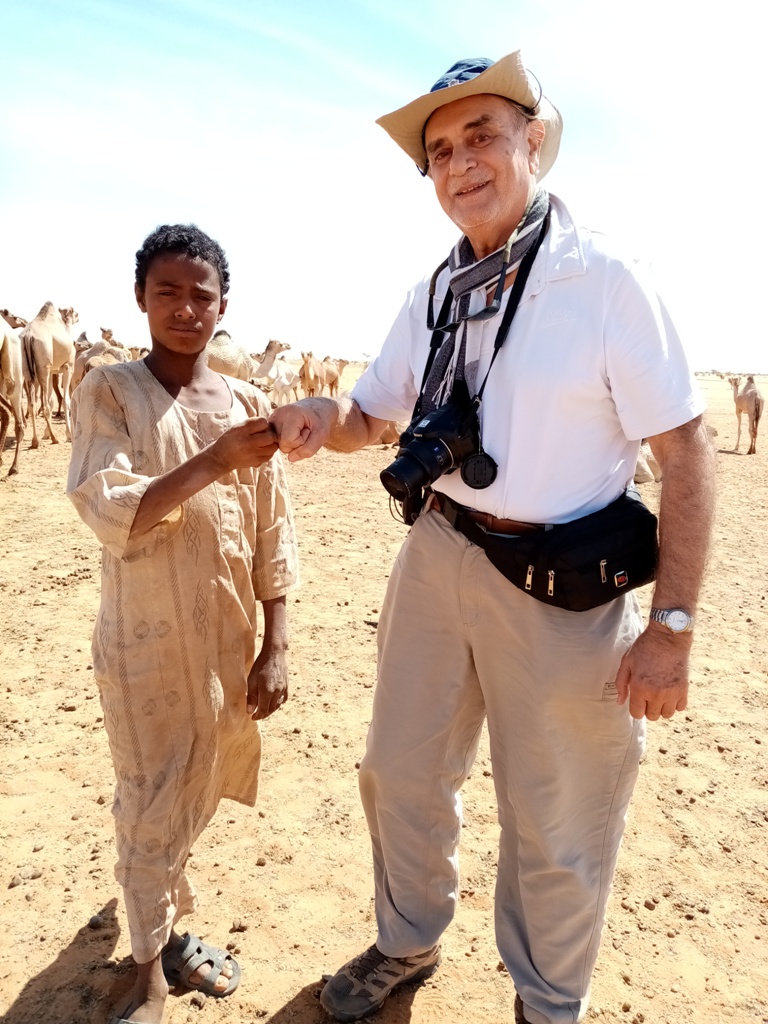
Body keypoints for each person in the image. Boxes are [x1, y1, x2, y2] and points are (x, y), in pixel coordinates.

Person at [270, 51, 715, 1024]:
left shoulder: (604, 281)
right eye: (440, 149)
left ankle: (548, 1004)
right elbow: (373, 414)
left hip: (563, 582)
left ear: (534, 140)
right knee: (399, 767)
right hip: (439, 550)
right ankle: (407, 938)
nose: (462, 162)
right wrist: (322, 415)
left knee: (557, 813)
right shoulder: (437, 289)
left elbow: (686, 450)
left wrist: (673, 622)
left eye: (483, 135)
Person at [67, 224, 298, 1024]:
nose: (185, 308)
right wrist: (213, 462)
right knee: (147, 795)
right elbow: (104, 506)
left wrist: (276, 643)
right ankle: (147, 974)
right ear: (140, 299)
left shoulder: (252, 405)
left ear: (223, 305)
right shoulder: (109, 391)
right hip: (145, 644)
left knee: (198, 784)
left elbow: (274, 529)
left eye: (202, 294)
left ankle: (163, 929)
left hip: (228, 643)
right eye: (167, 291)